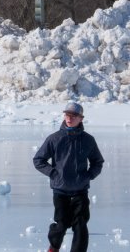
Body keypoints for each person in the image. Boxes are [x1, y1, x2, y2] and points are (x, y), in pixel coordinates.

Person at [32, 101, 105, 252]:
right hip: (60, 190)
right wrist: (53, 173)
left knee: (80, 225)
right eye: (67, 115)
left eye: (73, 116)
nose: (69, 118)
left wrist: (88, 176)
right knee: (62, 224)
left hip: (80, 190)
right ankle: (54, 247)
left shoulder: (88, 140)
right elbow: (38, 160)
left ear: (81, 118)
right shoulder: (54, 139)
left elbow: (97, 162)